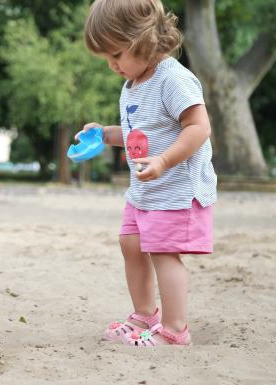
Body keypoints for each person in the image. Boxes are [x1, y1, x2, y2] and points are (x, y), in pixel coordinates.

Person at [80, 0, 217, 346]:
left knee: (163, 252)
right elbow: (137, 134)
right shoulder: (133, 84)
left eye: (117, 54)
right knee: (130, 244)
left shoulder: (174, 78)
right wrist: (103, 134)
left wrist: (164, 161)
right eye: (107, 58)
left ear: (144, 40)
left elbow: (199, 127)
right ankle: (144, 314)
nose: (112, 65)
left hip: (175, 189)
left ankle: (174, 330)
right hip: (145, 191)